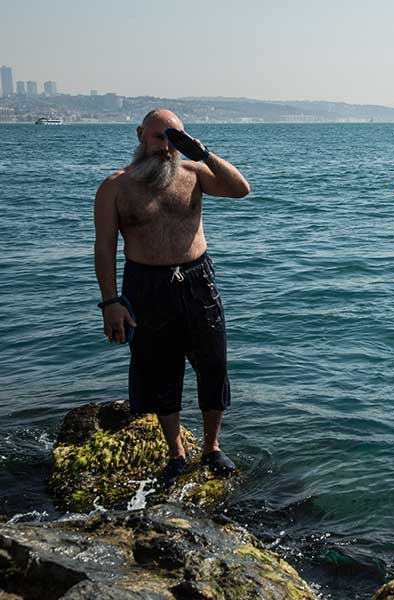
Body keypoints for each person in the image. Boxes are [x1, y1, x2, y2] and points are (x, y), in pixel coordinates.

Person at [93, 109, 251, 485]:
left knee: (213, 365)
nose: (166, 146)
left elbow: (241, 189)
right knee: (159, 371)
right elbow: (104, 248)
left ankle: (211, 447)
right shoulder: (115, 187)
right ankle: (176, 453)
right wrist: (110, 303)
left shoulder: (194, 173)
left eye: (175, 138)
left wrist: (202, 153)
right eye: (159, 137)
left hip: (198, 280)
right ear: (140, 135)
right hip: (145, 285)